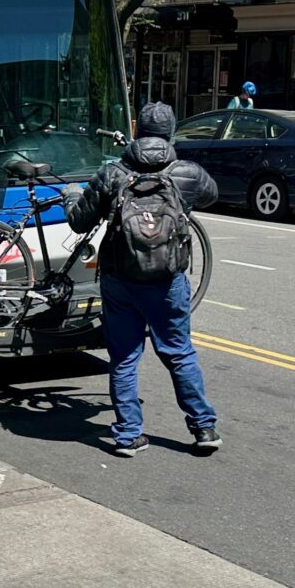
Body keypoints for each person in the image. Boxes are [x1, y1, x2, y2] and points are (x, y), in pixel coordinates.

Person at [62, 102, 221, 457]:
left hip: (120, 278)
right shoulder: (186, 171)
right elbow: (211, 194)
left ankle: (128, 435)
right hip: (167, 280)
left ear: (136, 131)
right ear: (170, 133)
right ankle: (203, 427)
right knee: (179, 353)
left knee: (124, 357)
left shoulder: (113, 172)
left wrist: (71, 195)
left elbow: (79, 221)